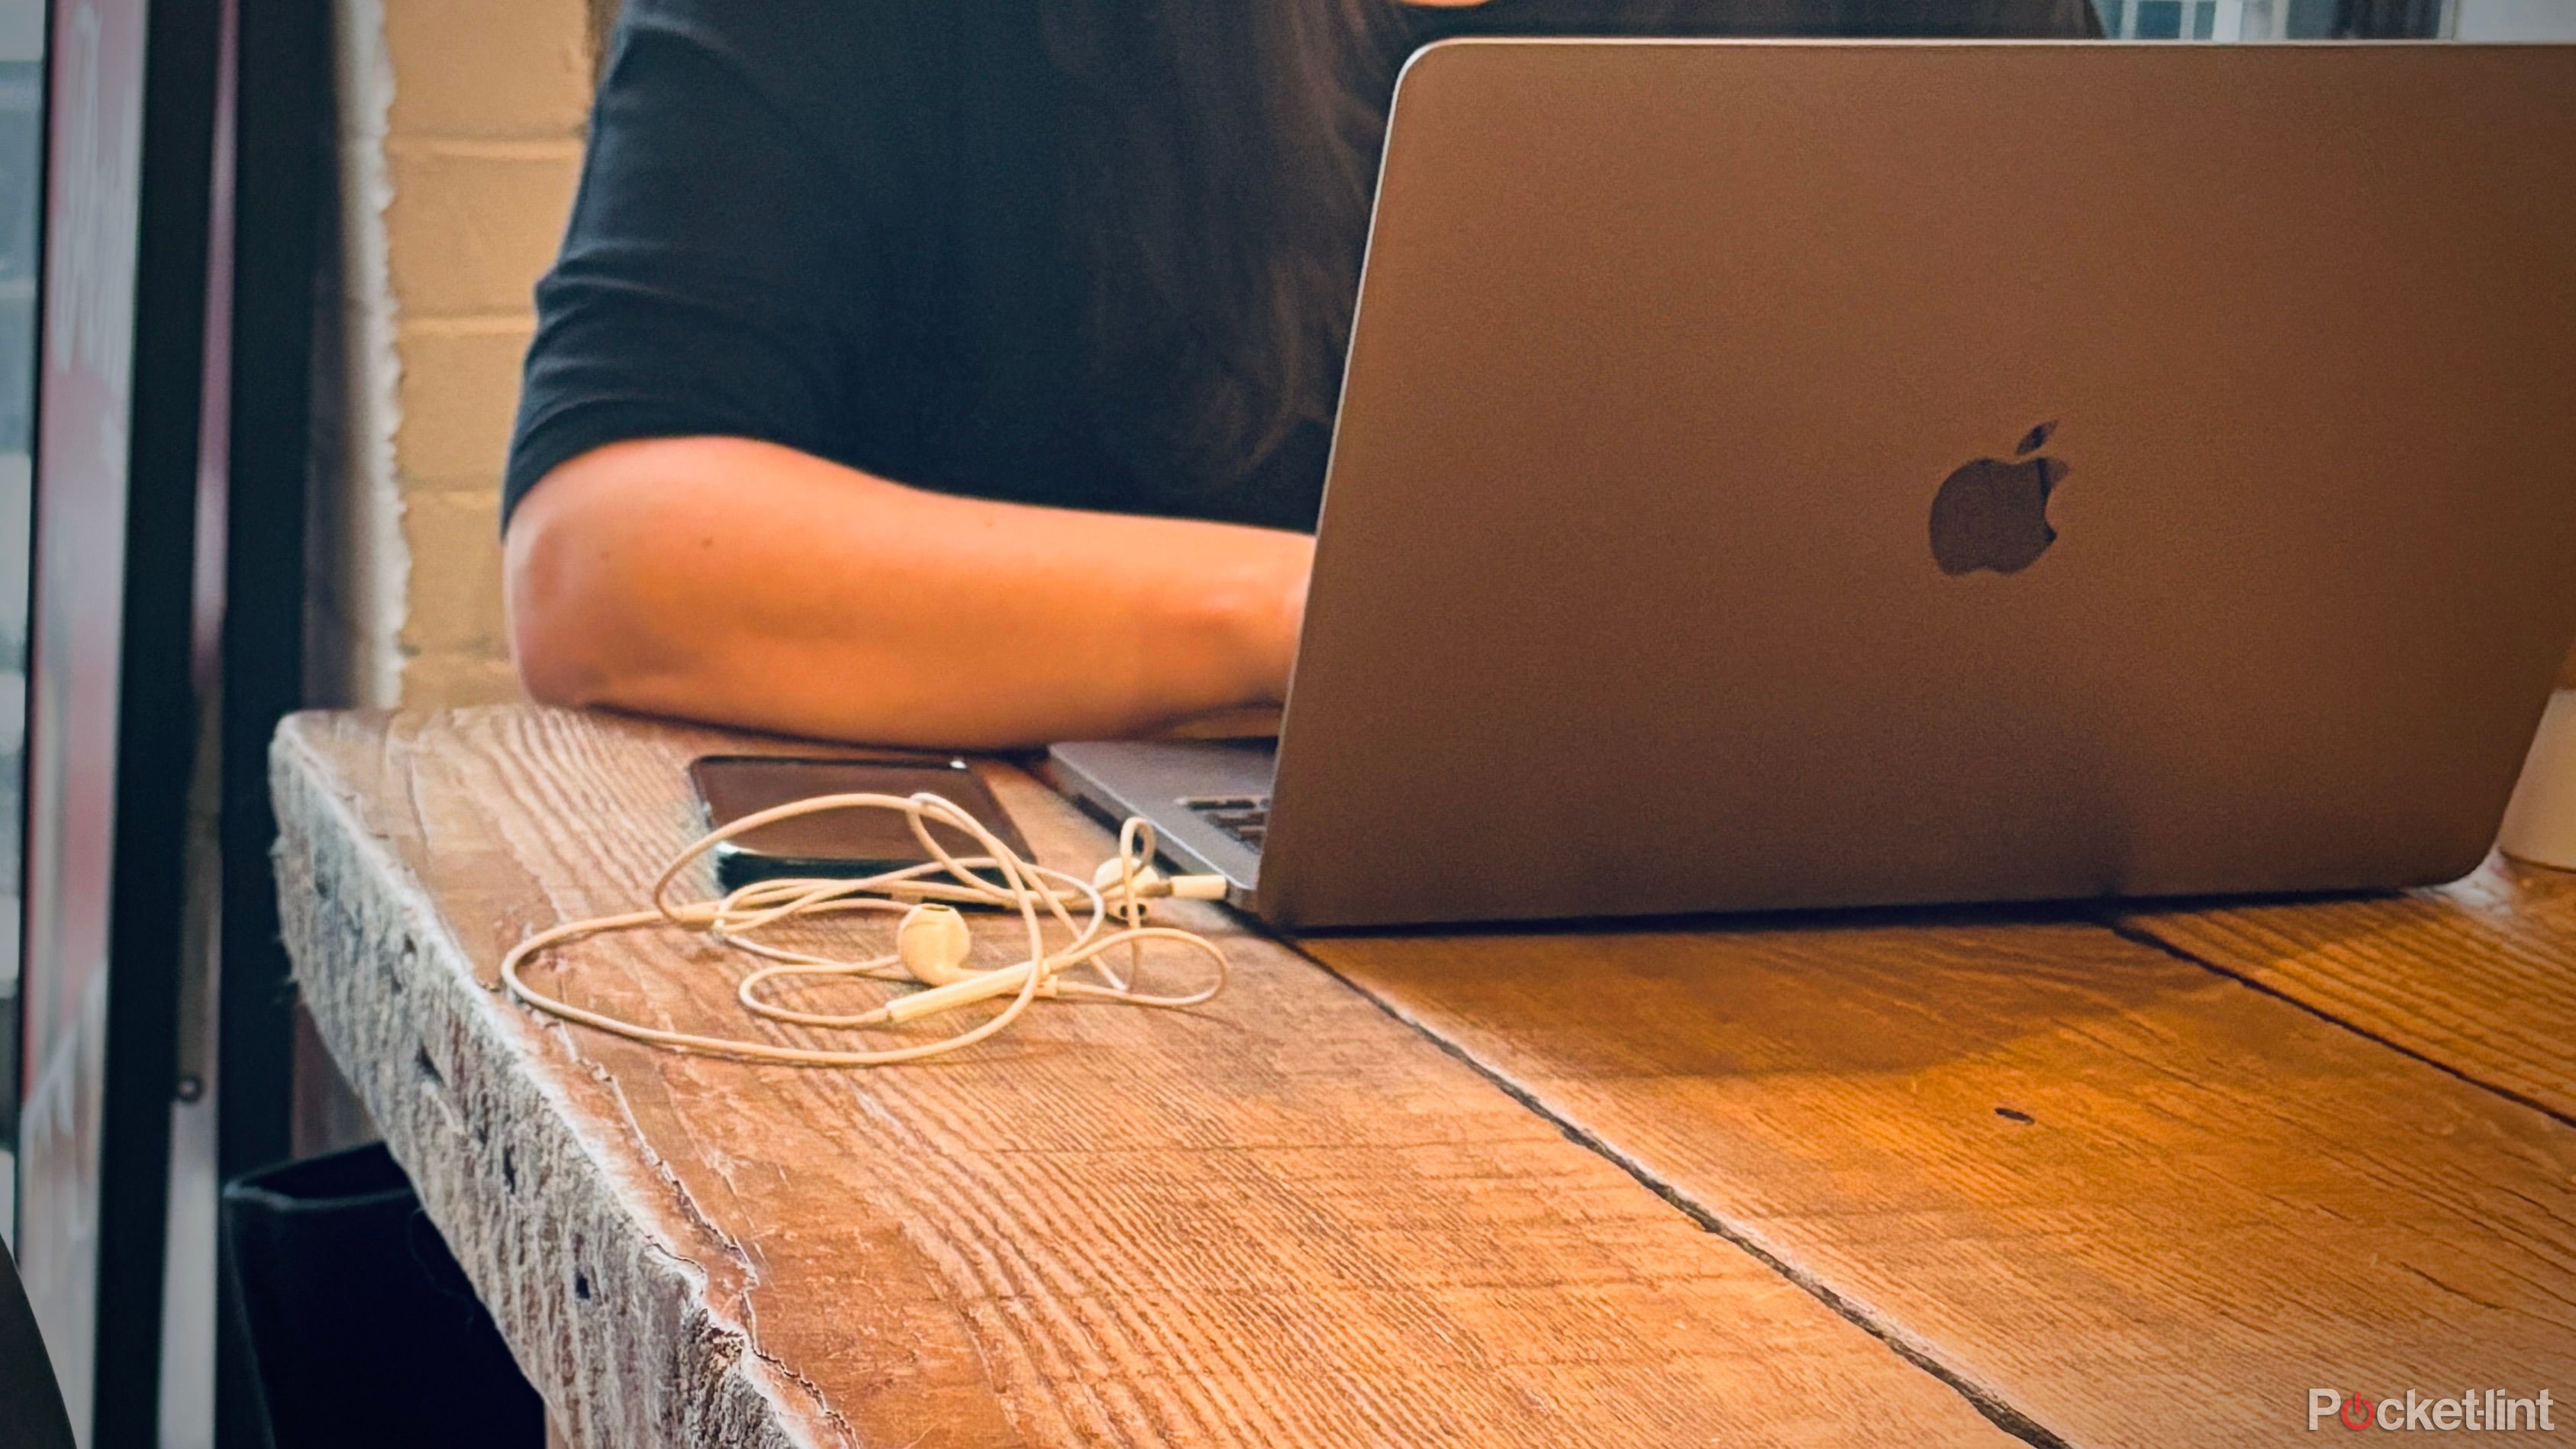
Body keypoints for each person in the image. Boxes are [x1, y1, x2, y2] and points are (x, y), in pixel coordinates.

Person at [504, 0, 2098, 749]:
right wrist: (1354, 629)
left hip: (1871, 939)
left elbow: (2093, 465)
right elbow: (607, 554)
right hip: (1060, 1006)